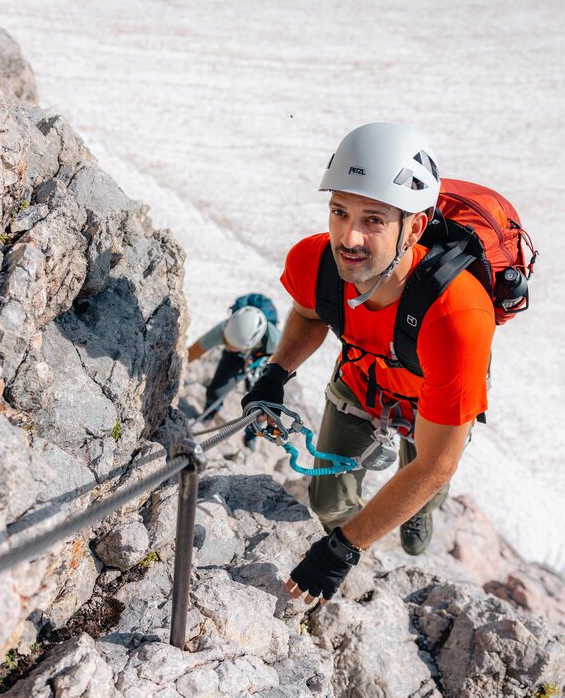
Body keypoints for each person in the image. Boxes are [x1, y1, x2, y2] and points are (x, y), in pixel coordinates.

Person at [241, 123, 495, 603]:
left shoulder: (457, 316)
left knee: (423, 479)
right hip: (361, 383)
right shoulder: (314, 262)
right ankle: (364, 529)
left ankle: (413, 509)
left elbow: (438, 463)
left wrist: (340, 552)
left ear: (415, 227)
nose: (349, 237)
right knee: (326, 499)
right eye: (340, 212)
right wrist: (276, 373)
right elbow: (308, 315)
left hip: (429, 402)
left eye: (374, 220)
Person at [187, 298, 282, 447]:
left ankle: (251, 436)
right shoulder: (225, 330)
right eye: (226, 341)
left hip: (262, 358)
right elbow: (193, 352)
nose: (228, 345)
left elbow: (284, 363)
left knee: (258, 405)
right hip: (238, 356)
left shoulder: (275, 342)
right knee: (217, 389)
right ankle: (208, 416)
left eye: (232, 344)